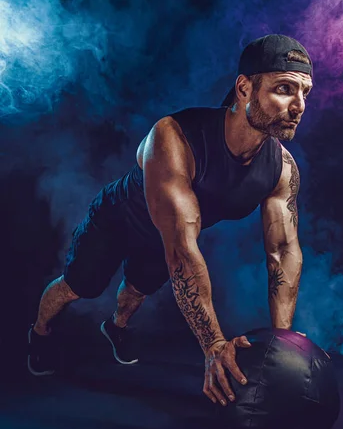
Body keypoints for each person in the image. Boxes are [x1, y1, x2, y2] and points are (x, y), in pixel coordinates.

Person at [28, 34, 313, 407]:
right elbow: (181, 249)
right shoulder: (174, 137)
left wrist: (282, 343)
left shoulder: (281, 169)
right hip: (118, 219)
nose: (298, 106)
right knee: (78, 286)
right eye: (284, 89)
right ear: (244, 88)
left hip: (163, 238)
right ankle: (40, 333)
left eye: (305, 93)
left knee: (135, 292)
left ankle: (115, 327)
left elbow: (283, 251)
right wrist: (214, 345)